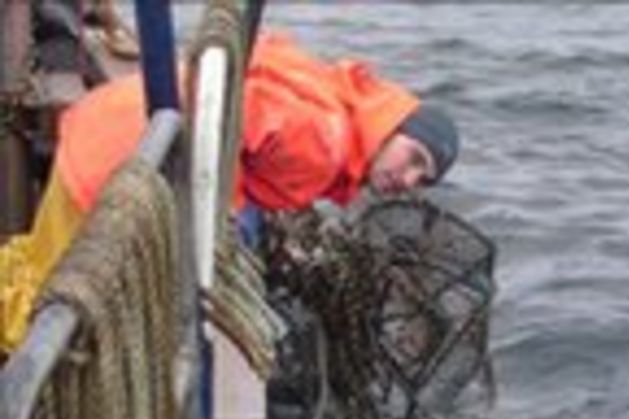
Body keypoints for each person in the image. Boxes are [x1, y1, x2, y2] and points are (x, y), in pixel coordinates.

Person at [0, 31, 459, 352]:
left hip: (113, 126)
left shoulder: (335, 99)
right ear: (392, 125)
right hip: (118, 166)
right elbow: (230, 116)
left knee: (34, 269)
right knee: (46, 308)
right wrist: (221, 225)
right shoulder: (324, 141)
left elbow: (257, 59)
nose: (409, 179)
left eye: (424, 179)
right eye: (414, 157)